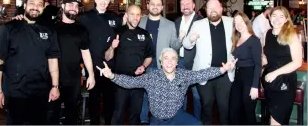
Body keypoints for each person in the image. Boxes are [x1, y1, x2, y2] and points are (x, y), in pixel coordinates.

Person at [96, 48, 237, 125]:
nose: (169, 62)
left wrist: (222, 70)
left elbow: (202, 74)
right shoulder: (151, 77)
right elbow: (130, 82)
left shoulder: (184, 75)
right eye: (166, 58)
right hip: (157, 121)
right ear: (161, 62)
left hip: (177, 116)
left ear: (177, 63)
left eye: (173, 59)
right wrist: (112, 76)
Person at [0, 0, 60, 124]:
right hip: (15, 92)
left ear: (43, 8)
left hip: (41, 92)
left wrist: (55, 86)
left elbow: (53, 59)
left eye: (39, 5)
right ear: (24, 6)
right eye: (31, 3)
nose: (35, 7)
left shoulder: (49, 31)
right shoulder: (8, 28)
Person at [183, 0, 235, 125]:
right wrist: (191, 39)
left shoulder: (232, 22)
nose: (212, 10)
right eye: (209, 7)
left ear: (221, 8)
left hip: (225, 73)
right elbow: (186, 44)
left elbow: (244, 38)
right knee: (206, 106)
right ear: (206, 10)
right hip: (204, 72)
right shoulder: (198, 24)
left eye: (215, 7)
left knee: (224, 107)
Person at [47, 0, 96, 125]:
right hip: (51, 79)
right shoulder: (52, 27)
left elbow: (86, 53)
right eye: (70, 5)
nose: (74, 8)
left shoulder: (81, 29)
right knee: (51, 114)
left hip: (73, 78)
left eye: (76, 6)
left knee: (72, 114)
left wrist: (91, 75)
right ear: (62, 6)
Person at [79, 0, 122, 125]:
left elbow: (119, 38)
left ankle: (108, 123)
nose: (103, 2)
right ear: (95, 0)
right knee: (94, 100)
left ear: (109, 1)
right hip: (93, 66)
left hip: (110, 66)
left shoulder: (115, 17)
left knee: (110, 100)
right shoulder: (85, 18)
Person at [106, 4, 154, 125]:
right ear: (126, 15)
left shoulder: (145, 34)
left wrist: (143, 66)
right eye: (132, 14)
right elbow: (107, 57)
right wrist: (112, 47)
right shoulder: (117, 32)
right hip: (120, 80)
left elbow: (149, 56)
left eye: (138, 14)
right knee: (118, 113)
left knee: (135, 114)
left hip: (138, 81)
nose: (135, 17)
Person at [138, 0, 182, 124]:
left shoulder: (170, 24)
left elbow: (175, 46)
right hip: (143, 64)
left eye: (158, 4)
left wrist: (181, 39)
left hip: (161, 65)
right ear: (148, 5)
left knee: (160, 95)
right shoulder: (140, 21)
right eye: (152, 4)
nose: (155, 6)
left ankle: (159, 119)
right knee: (144, 94)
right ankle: (143, 120)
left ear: (162, 7)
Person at [261, 6, 302, 125]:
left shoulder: (291, 35)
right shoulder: (266, 34)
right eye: (274, 16)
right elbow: (264, 56)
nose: (277, 19)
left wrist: (275, 73)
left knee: (277, 121)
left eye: (281, 16)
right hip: (270, 84)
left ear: (286, 19)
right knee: (273, 119)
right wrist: (262, 76)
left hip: (285, 84)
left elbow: (297, 62)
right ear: (269, 17)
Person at [229, 12, 262, 124]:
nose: (238, 24)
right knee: (234, 110)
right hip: (238, 77)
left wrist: (254, 86)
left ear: (246, 22)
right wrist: (232, 64)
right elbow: (236, 59)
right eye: (236, 22)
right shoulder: (236, 39)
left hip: (250, 76)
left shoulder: (254, 40)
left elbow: (258, 64)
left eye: (241, 21)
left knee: (248, 112)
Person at [174, 0, 203, 119]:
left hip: (195, 63)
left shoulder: (201, 21)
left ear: (193, 6)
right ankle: (182, 119)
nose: (185, 6)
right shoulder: (175, 22)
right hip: (179, 62)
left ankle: (197, 120)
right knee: (180, 94)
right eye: (182, 4)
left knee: (196, 95)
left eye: (188, 3)